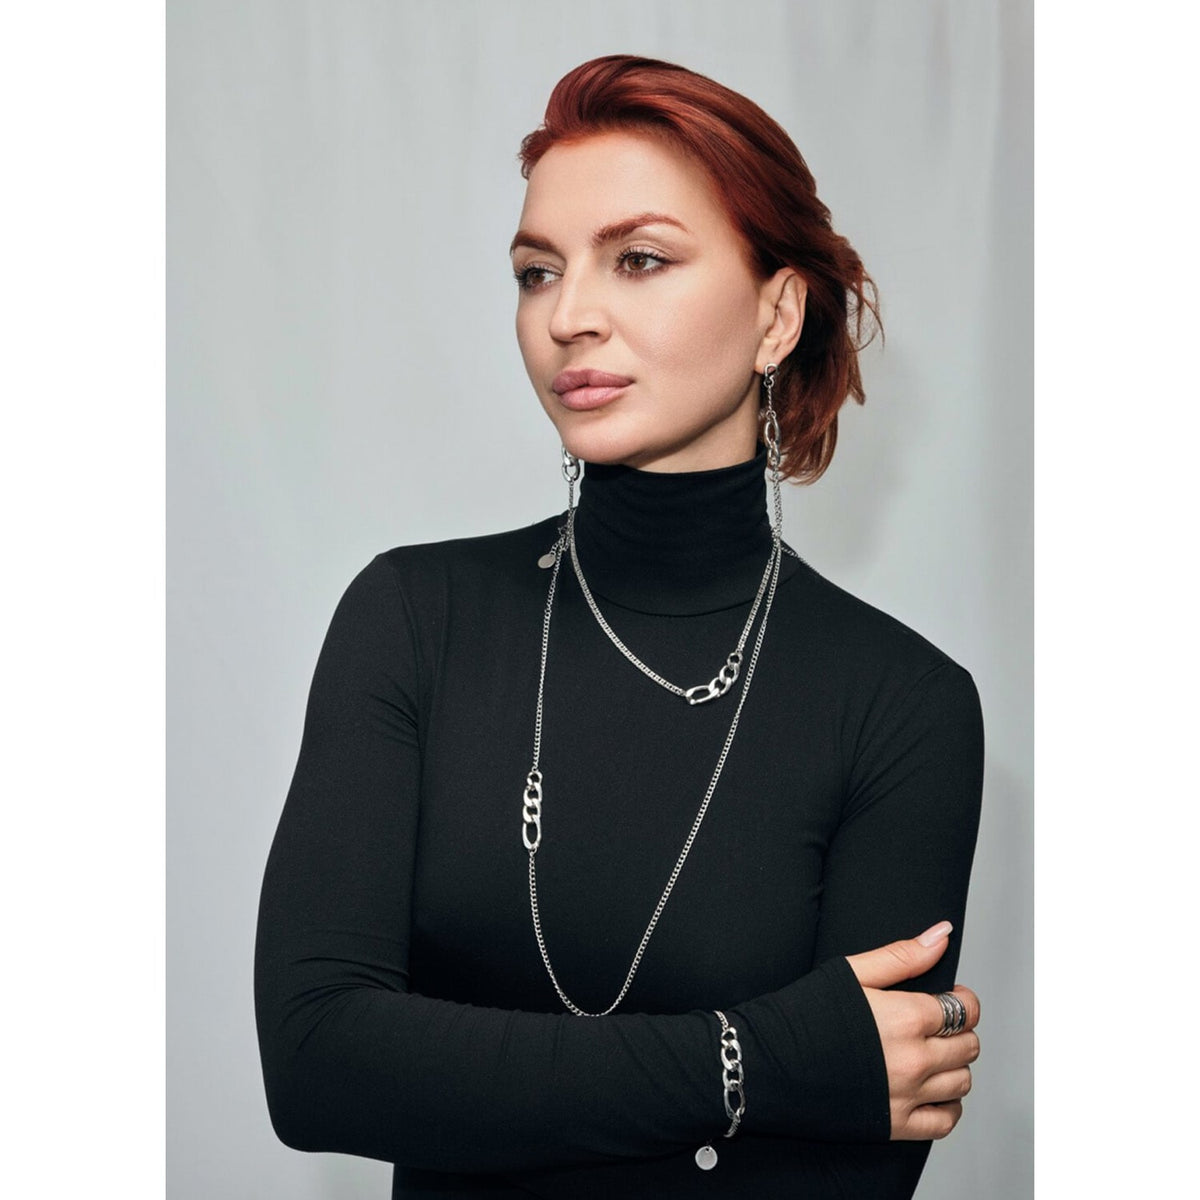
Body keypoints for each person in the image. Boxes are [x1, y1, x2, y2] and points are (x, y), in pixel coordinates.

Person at [254, 55, 984, 1199]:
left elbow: (856, 1164)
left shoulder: (902, 703)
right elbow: (316, 1066)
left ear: (778, 314)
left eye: (638, 259)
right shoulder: (415, 619)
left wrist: (462, 1073)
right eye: (537, 272)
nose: (568, 317)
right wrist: (760, 1061)